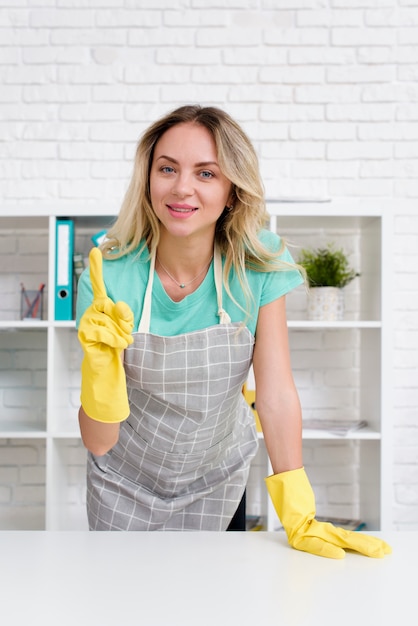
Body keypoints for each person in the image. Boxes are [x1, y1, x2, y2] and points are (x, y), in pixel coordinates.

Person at [76, 104, 391, 558]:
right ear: (147, 180)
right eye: (167, 168)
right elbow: (99, 440)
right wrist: (101, 369)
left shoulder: (257, 265)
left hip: (217, 482)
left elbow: (276, 392)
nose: (182, 188)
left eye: (206, 173)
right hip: (123, 485)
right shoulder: (109, 276)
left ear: (232, 192)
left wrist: (297, 512)